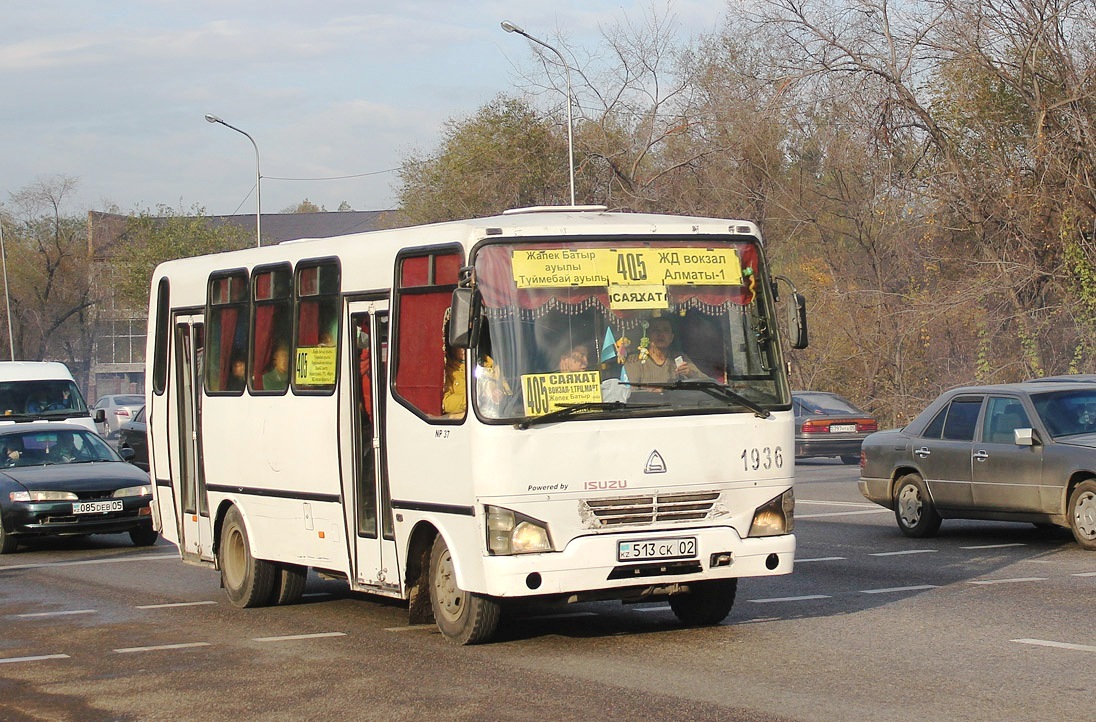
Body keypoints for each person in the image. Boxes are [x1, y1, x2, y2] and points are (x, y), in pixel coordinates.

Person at [623, 316, 706, 385]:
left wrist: (690, 373)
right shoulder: (635, 360)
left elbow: (707, 382)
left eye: (665, 330)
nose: (661, 334)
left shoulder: (679, 358)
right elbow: (630, 392)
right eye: (656, 330)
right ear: (647, 336)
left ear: (671, 338)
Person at [441, 311, 467, 417]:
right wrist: (475, 398)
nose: (465, 349)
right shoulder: (447, 371)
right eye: (460, 344)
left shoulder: (489, 365)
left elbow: (508, 393)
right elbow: (446, 404)